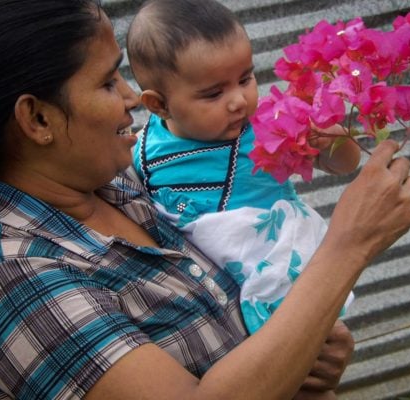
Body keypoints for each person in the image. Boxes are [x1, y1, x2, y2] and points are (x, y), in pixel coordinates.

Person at [0, 1, 410, 399]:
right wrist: (348, 246)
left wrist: (307, 343)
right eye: (108, 83)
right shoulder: (19, 279)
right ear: (37, 118)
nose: (131, 98)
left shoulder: (119, 182)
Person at [127, 0, 361, 340]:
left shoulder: (270, 126)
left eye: (245, 78)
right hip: (213, 307)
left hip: (283, 278)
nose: (238, 100)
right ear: (159, 104)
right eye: (213, 93)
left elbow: (342, 164)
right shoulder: (143, 149)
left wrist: (332, 140)